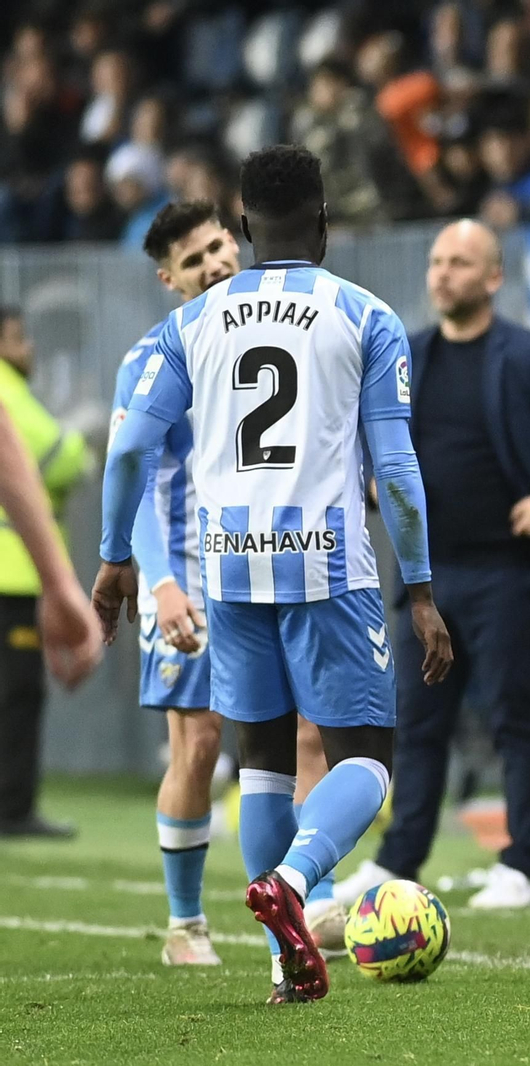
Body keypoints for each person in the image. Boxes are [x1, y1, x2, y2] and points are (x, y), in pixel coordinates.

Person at [94, 144, 455, 1006]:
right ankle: (294, 884)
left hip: (228, 573)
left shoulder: (187, 327)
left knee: (260, 764)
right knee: (365, 761)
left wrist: (115, 560)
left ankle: (278, 964)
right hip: (330, 567)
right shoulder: (366, 316)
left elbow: (131, 448)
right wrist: (425, 590)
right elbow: (397, 470)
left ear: (245, 226)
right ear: (325, 222)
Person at [335, 219, 530, 913]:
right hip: (424, 580)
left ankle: (521, 866)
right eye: (437, 261)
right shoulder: (405, 357)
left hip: (507, 575)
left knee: (514, 720)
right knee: (416, 725)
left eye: (461, 263)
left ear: (494, 277)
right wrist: (372, 480)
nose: (443, 273)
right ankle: (398, 861)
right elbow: (360, 439)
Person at [0, 308, 90, 838]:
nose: (27, 348)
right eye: (17, 339)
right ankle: (11, 808)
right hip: (12, 572)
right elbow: (58, 455)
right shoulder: (9, 388)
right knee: (16, 695)